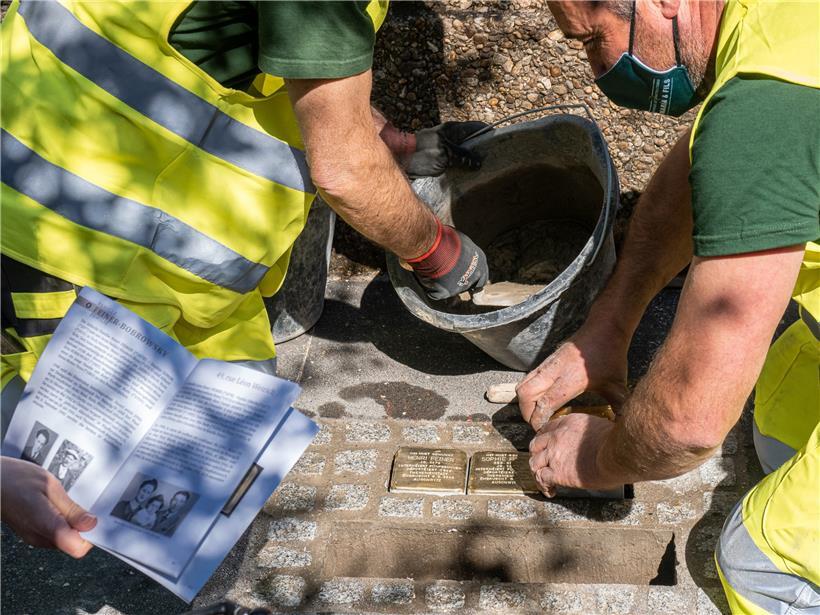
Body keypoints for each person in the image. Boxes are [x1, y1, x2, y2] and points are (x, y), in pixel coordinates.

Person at [0, 1, 489, 557]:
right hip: (63, 231)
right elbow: (344, 171)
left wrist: (367, 127)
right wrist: (435, 248)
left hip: (165, 238)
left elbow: (250, 39)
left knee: (219, 468)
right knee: (69, 487)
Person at [517, 1, 819, 612]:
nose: (597, 67)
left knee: (760, 561)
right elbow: (699, 169)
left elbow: (690, 423)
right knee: (778, 426)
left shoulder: (769, 107)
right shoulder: (773, 28)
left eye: (591, 39)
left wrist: (597, 457)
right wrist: (608, 327)